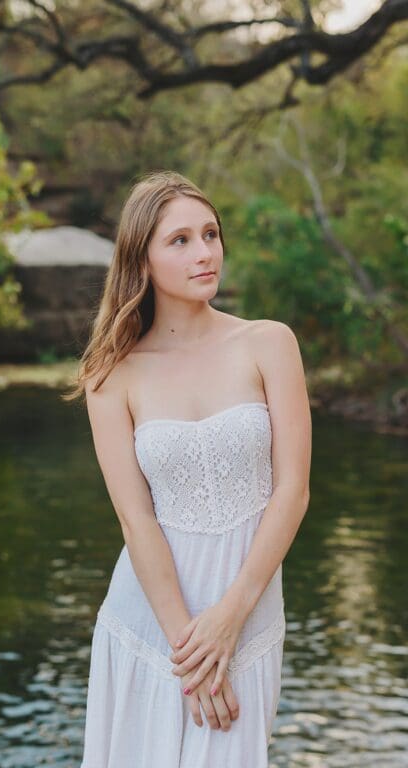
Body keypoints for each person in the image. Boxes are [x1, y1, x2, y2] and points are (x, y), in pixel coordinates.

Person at [63, 171, 312, 766]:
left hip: (246, 614)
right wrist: (189, 653)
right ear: (142, 260)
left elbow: (293, 490)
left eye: (211, 234)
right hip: (150, 624)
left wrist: (229, 618)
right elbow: (136, 520)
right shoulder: (110, 375)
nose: (204, 253)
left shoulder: (269, 343)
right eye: (180, 240)